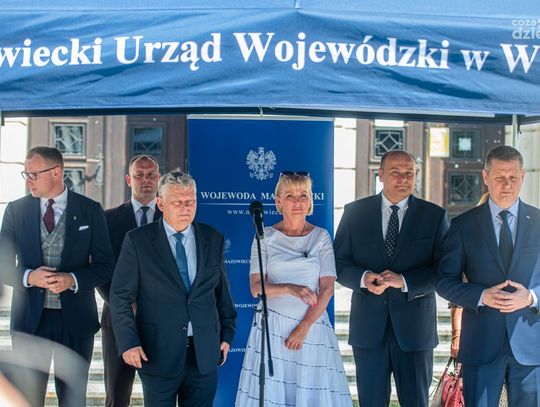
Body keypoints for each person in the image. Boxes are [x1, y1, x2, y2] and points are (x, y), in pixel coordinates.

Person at [109, 169, 237, 407]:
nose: (186, 208)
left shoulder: (213, 239)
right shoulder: (138, 241)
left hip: (204, 355)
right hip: (157, 354)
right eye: (178, 202)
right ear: (161, 203)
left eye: (191, 202)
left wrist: (227, 334)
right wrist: (128, 342)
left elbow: (222, 292)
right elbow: (120, 297)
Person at [0, 146, 115, 406]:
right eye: (26, 174)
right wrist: (30, 277)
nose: (29, 181)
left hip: (76, 320)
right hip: (30, 320)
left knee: (73, 399)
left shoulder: (90, 210)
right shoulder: (16, 210)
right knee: (27, 398)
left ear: (56, 172)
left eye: (34, 174)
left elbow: (105, 265)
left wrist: (72, 279)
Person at [334, 150, 449, 407]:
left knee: (416, 402)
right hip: (368, 328)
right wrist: (363, 278)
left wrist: (405, 281)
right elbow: (338, 262)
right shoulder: (355, 212)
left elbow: (443, 269)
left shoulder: (434, 216)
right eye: (396, 173)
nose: (403, 179)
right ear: (381, 174)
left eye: (409, 173)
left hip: (415, 330)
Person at [235, 171, 352, 407]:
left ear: (310, 201)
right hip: (272, 328)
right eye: (290, 195)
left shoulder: (321, 237)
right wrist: (290, 288)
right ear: (278, 202)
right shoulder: (264, 237)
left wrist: (303, 327)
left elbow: (327, 289)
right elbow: (256, 288)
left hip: (311, 328)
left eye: (303, 195)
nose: (297, 202)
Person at [437, 145, 540, 407]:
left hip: (530, 347)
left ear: (523, 177)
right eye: (499, 177)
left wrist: (531, 297)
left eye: (513, 177)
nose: (507, 184)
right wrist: (481, 295)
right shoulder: (463, 225)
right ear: (485, 177)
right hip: (480, 345)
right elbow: (444, 281)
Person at [100, 154, 162, 407]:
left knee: (161, 396)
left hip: (162, 322)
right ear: (129, 179)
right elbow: (101, 270)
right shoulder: (108, 219)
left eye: (151, 175)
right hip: (118, 319)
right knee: (117, 396)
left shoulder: (174, 217)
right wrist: (124, 305)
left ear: (159, 179)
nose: (145, 180)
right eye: (139, 175)